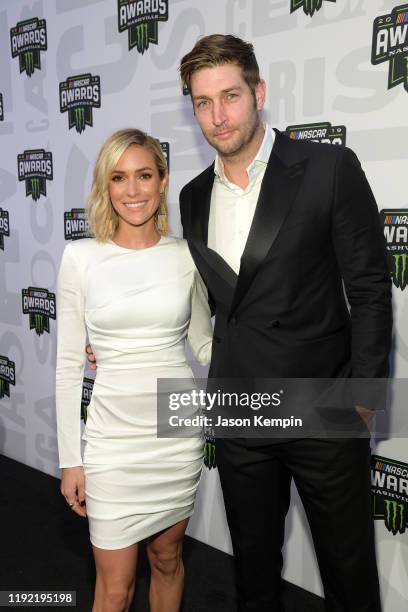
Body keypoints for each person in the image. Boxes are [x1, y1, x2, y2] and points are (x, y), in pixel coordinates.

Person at [177, 34, 392, 612]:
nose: (218, 117)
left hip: (322, 407)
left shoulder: (327, 168)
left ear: (259, 92)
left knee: (348, 573)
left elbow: (370, 287)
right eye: (202, 102)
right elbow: (208, 300)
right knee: (253, 567)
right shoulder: (193, 196)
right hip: (240, 412)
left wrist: (364, 397)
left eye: (230, 96)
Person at [56, 128, 212, 612]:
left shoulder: (187, 256)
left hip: (175, 434)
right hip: (113, 443)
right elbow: (66, 366)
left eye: (144, 175)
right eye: (119, 178)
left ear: (162, 180)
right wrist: (70, 460)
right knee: (115, 588)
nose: (132, 190)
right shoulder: (81, 258)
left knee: (167, 559)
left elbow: (206, 346)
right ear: (106, 185)